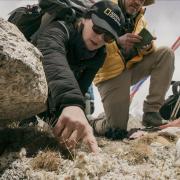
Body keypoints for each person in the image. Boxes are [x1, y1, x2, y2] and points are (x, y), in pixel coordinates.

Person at [34, 0, 125, 152]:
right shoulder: (59, 29)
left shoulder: (99, 55)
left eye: (108, 38)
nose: (100, 39)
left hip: (56, 93)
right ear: (84, 18)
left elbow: (81, 87)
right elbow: (52, 57)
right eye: (97, 29)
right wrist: (71, 104)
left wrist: (66, 117)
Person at [91, 0, 175, 138]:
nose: (137, 2)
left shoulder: (140, 18)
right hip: (110, 75)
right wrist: (117, 41)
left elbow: (147, 50)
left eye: (142, 0)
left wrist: (147, 46)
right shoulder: (105, 8)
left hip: (131, 68)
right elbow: (92, 43)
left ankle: (151, 112)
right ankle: (93, 123)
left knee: (165, 53)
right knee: (116, 130)